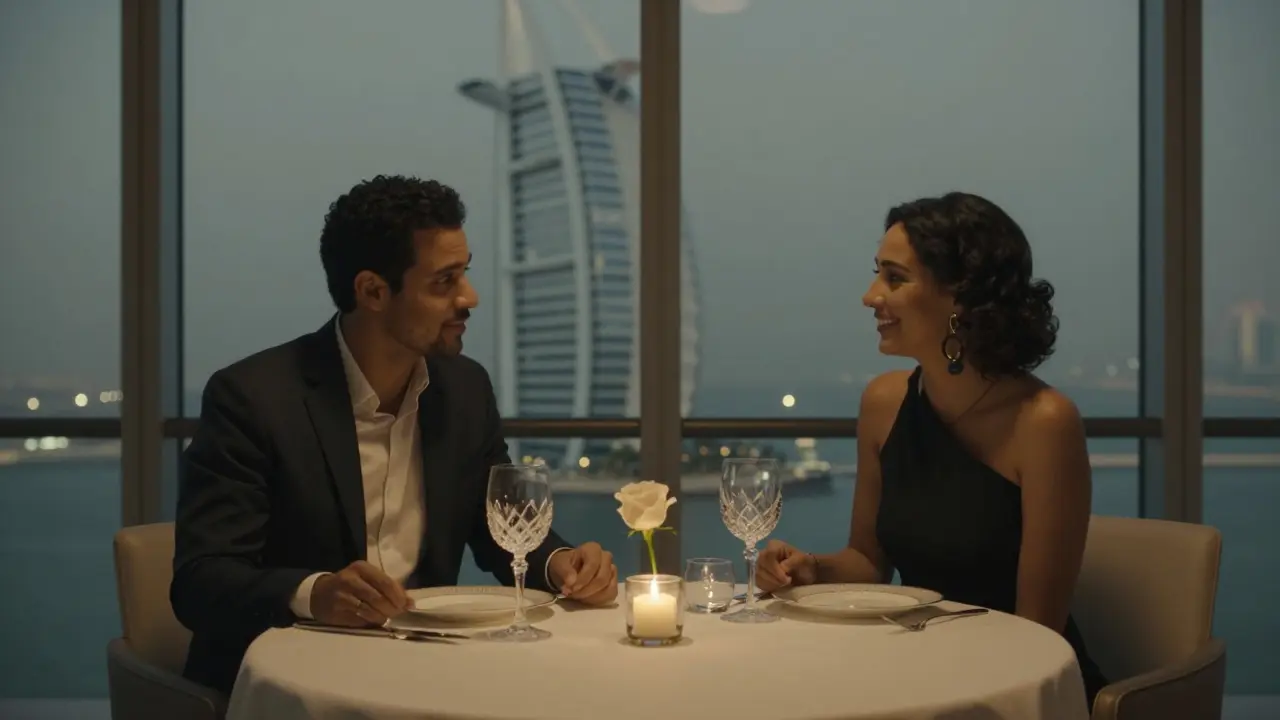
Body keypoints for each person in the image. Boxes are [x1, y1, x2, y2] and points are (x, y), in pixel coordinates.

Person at [171, 175, 619, 694]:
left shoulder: (464, 388)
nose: (469, 297)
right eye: (443, 282)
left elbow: (498, 531)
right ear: (373, 291)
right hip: (292, 684)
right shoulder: (254, 397)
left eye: (465, 274)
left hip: (428, 672)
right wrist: (315, 593)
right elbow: (200, 583)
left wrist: (562, 563)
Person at [756, 192, 1107, 708]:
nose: (870, 295)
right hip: (918, 669)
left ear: (961, 297)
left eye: (895, 278)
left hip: (1018, 690)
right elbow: (867, 561)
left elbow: (1038, 628)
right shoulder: (884, 402)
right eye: (878, 273)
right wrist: (809, 568)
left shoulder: (1045, 422)